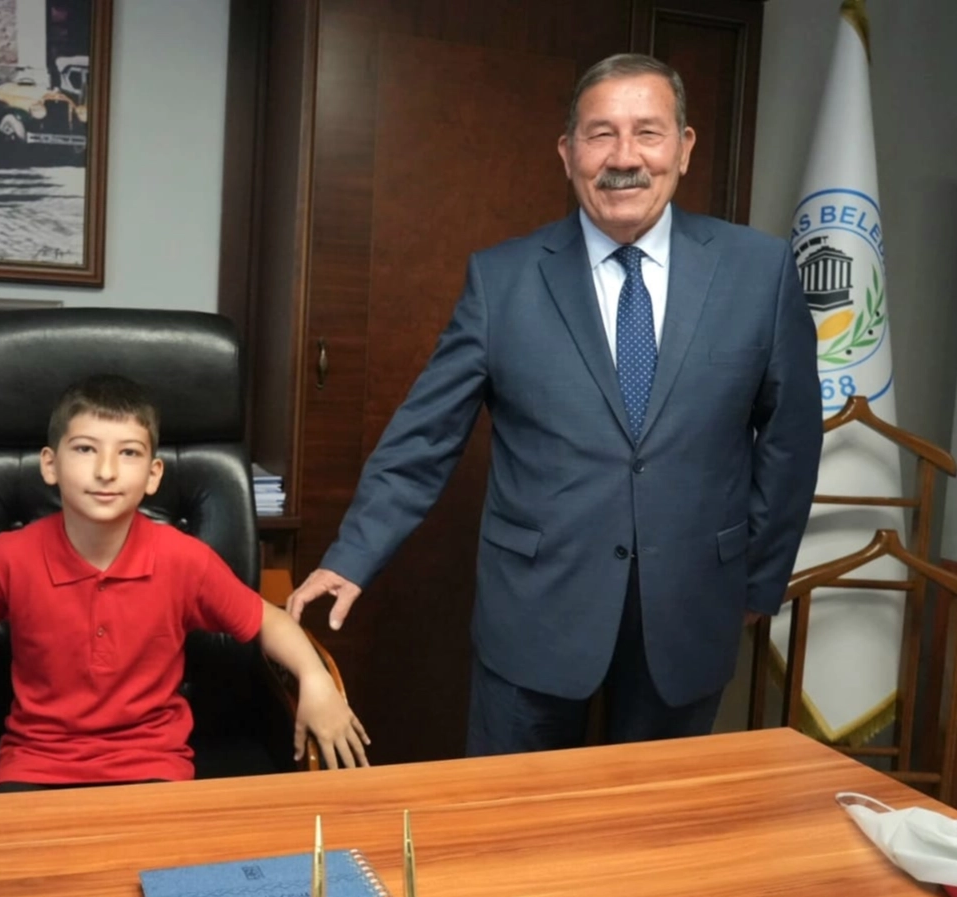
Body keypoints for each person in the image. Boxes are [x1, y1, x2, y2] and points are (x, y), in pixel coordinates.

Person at [286, 53, 822, 756]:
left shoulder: (760, 271)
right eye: (601, 134)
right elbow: (424, 439)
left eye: (648, 132)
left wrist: (757, 582)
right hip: (534, 616)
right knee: (513, 814)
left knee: (656, 815)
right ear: (568, 152)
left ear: (684, 148)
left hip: (693, 611)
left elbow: (790, 441)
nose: (624, 157)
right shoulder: (501, 280)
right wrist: (352, 555)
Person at [0, 375, 371, 799]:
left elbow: (269, 620)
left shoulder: (184, 559)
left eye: (128, 453)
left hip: (154, 767)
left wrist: (315, 680)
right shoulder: (9, 558)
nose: (105, 471)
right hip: (35, 767)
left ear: (154, 474)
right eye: (85, 449)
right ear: (50, 464)